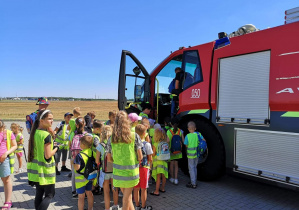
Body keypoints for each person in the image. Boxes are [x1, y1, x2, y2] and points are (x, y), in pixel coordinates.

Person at [107, 111, 143, 210]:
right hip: (131, 173)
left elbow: (109, 159)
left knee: (128, 197)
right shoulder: (134, 136)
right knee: (126, 198)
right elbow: (140, 156)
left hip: (118, 174)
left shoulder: (111, 138)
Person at [27, 110, 59, 210]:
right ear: (41, 120)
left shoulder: (35, 132)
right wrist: (56, 148)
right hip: (45, 171)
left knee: (39, 194)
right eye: (49, 119)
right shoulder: (46, 135)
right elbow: (48, 155)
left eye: (52, 119)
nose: (52, 121)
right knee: (50, 195)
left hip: (36, 171)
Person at [96, 125, 119, 210]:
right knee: (115, 189)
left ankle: (107, 208)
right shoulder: (115, 143)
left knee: (106, 191)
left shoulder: (100, 145)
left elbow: (96, 161)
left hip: (105, 171)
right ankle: (116, 205)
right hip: (114, 170)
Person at [134, 124, 153, 210]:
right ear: (144, 133)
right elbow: (150, 158)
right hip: (144, 168)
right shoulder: (147, 144)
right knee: (144, 188)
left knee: (136, 188)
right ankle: (144, 207)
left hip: (135, 167)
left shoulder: (133, 144)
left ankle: (137, 206)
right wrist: (150, 167)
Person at [73, 135, 95, 210]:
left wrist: (73, 163)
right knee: (89, 193)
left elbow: (77, 168)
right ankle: (90, 208)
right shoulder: (92, 152)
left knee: (81, 197)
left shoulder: (79, 155)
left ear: (83, 145)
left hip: (81, 180)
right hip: (90, 177)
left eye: (80, 143)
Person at [0, 119, 17, 210]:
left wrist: (6, 153)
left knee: (6, 180)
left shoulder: (8, 133)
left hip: (3, 160)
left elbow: (15, 145)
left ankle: (7, 202)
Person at [69, 117, 87, 198]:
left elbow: (70, 145)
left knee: (74, 173)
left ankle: (74, 190)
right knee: (84, 173)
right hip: (84, 157)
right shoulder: (87, 134)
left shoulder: (73, 134)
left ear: (76, 125)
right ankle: (84, 190)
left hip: (75, 157)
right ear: (85, 124)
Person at [184, 121, 205, 189]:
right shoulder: (198, 134)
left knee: (191, 169)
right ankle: (194, 181)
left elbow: (186, 145)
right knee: (195, 167)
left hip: (190, 155)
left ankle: (193, 183)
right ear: (195, 128)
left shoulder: (187, 136)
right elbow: (203, 140)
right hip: (197, 154)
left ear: (188, 129)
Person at [150, 128, 169, 196]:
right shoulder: (165, 143)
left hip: (158, 162)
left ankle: (156, 191)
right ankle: (162, 188)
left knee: (158, 177)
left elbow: (154, 154)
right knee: (164, 176)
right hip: (164, 161)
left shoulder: (155, 144)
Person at [167, 118, 184, 185]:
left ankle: (172, 178)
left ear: (171, 124)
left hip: (171, 150)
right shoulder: (180, 131)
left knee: (171, 164)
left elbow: (168, 141)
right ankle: (176, 179)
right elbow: (183, 141)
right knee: (176, 165)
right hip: (178, 151)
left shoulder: (169, 131)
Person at [91, 119, 103, 195]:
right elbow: (98, 146)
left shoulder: (90, 134)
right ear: (97, 129)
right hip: (95, 158)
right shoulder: (95, 137)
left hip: (92, 156)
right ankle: (94, 188)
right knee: (95, 174)